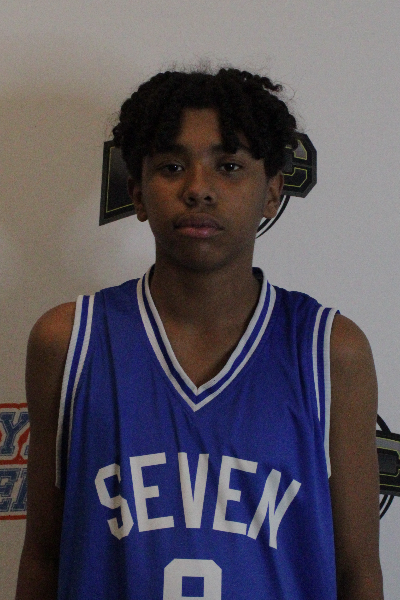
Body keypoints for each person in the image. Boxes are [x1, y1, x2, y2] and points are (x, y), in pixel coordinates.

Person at [16, 66, 384, 600]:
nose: (198, 189)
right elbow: (43, 558)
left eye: (229, 166)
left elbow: (358, 574)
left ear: (272, 194)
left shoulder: (328, 351)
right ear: (137, 193)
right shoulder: (69, 341)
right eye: (171, 167)